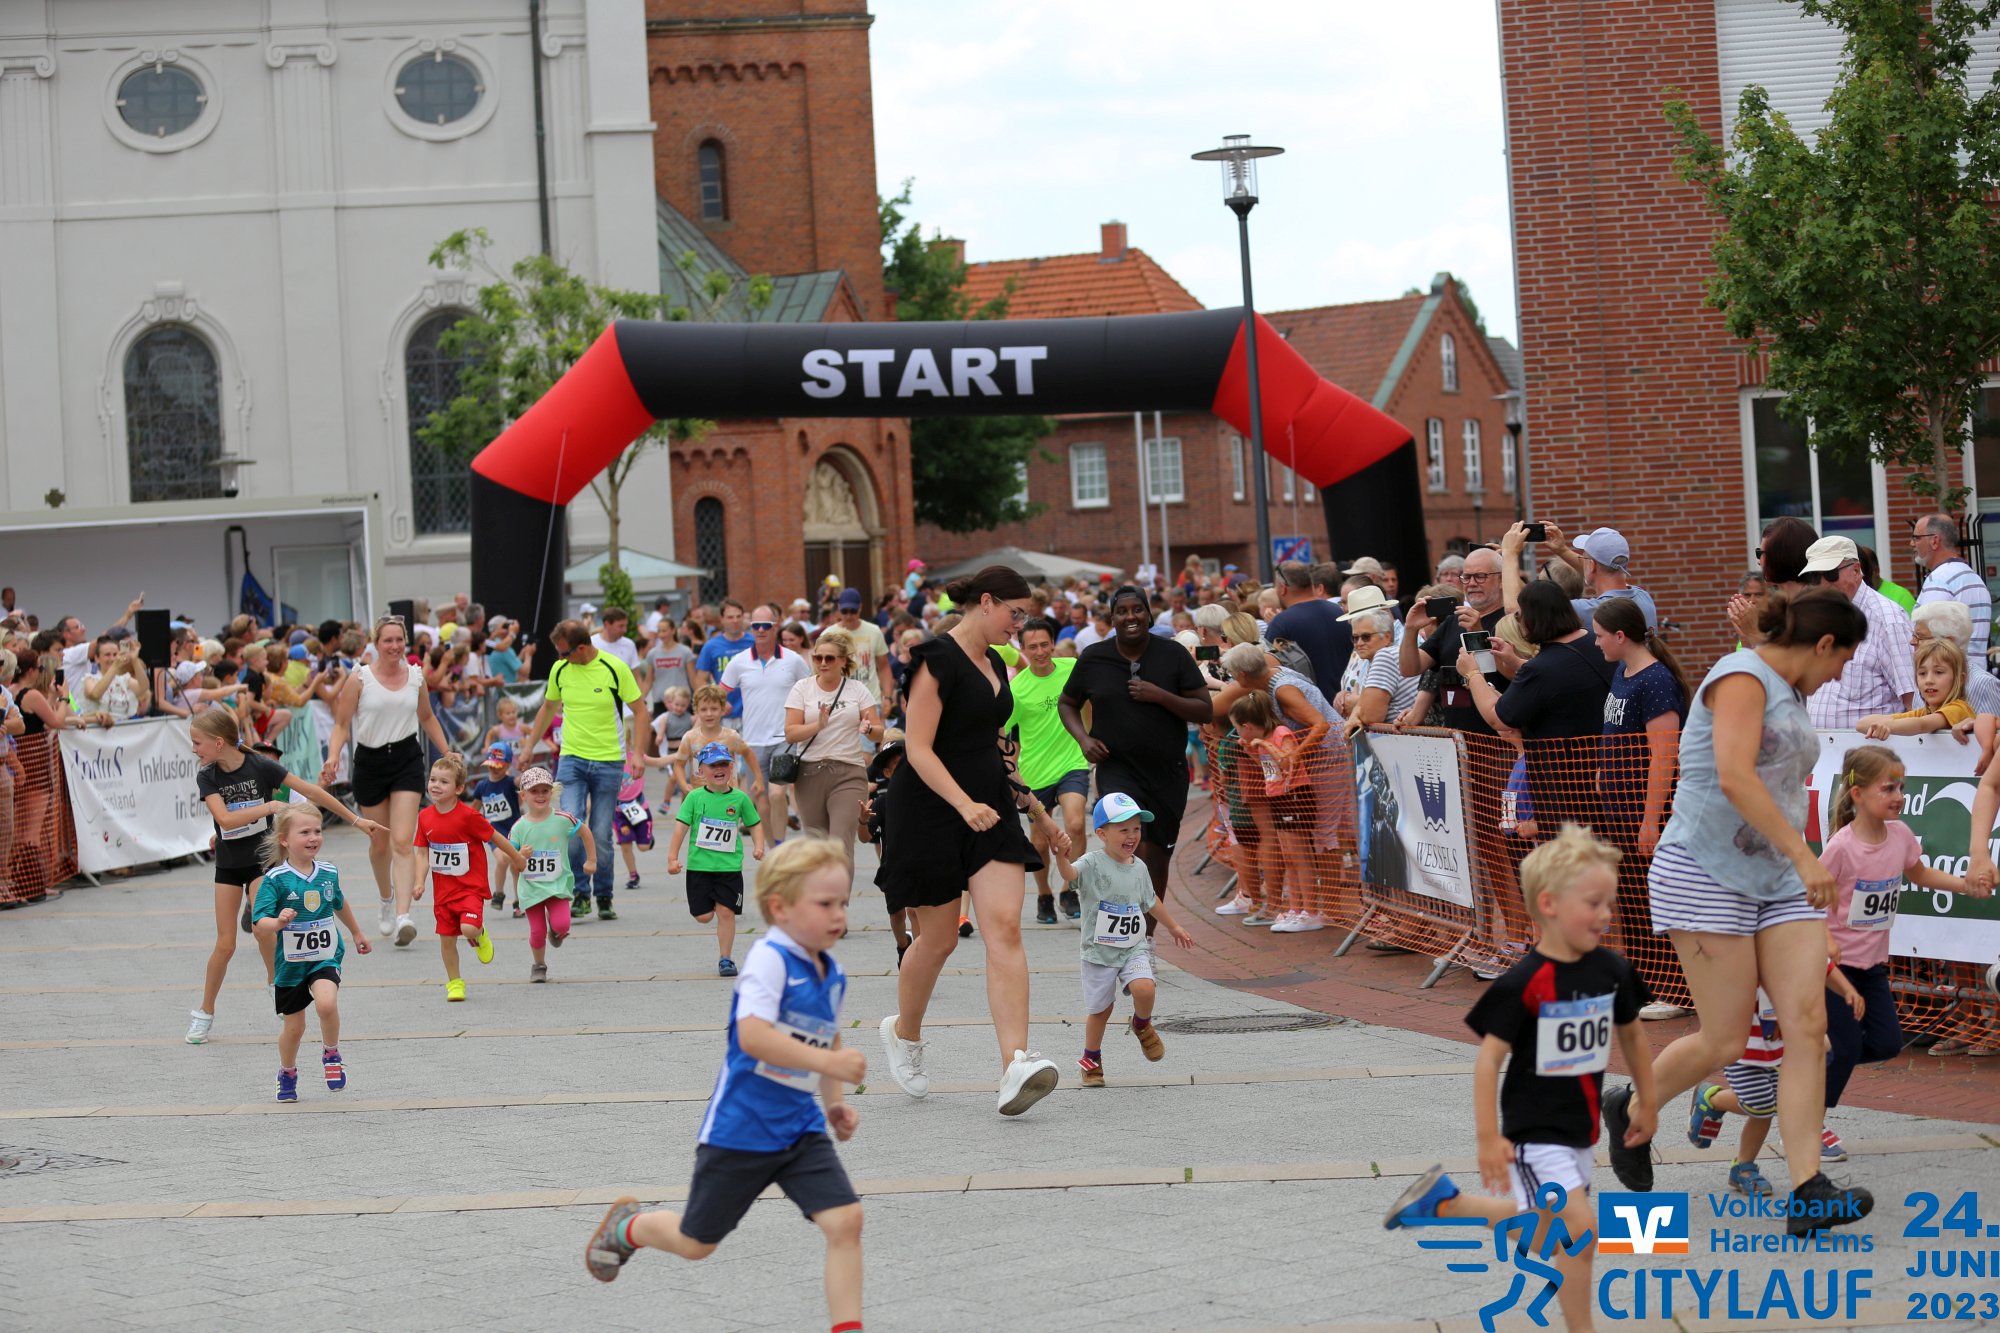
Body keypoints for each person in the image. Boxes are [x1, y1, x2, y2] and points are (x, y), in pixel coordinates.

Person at [1626, 589, 1875, 1233]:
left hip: (1778, 878)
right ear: (1823, 643)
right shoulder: (1741, 676)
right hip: (1705, 871)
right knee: (1726, 1039)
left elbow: (1783, 789)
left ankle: (1808, 1189)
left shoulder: (1791, 691)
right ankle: (1631, 1107)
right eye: (1843, 661)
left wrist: (1795, 860)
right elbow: (1735, 776)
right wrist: (1804, 856)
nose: (1839, 676)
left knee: (1808, 1027)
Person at [584, 839, 867, 1333]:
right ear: (780, 908)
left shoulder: (832, 971)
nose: (838, 914)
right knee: (696, 1244)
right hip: (740, 1132)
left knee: (846, 1221)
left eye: (843, 902)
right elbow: (753, 1036)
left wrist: (835, 1102)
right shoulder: (770, 959)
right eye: (825, 903)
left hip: (799, 1130)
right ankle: (629, 1228)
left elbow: (827, 1034)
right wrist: (831, 1062)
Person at [1385, 825, 1656, 1333]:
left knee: (1547, 1235)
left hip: (1580, 1130)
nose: (1606, 914)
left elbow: (1634, 1036)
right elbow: (1488, 1061)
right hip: (1533, 1134)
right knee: (1581, 1230)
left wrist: (1649, 1102)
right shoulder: (1524, 982)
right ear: (1549, 904)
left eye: (1609, 903)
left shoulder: (1613, 970)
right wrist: (1489, 1138)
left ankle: (1448, 1204)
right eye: (1593, 904)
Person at [876, 565, 1070, 1117]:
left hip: (990, 807)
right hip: (931, 809)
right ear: (986, 602)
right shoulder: (935, 659)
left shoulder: (998, 663)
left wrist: (1039, 813)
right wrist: (963, 804)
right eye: (1015, 613)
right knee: (937, 941)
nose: (1020, 625)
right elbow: (917, 748)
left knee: (1004, 927)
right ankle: (904, 1034)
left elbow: (997, 749)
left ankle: (1015, 1065)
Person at [187, 708, 384, 1045]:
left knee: (263, 926)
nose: (193, 749)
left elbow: (312, 791)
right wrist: (268, 807)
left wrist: (355, 820)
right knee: (225, 943)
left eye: (197, 742)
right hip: (229, 864)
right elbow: (225, 819)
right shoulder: (208, 775)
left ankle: (274, 981)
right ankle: (205, 1013)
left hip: (262, 862)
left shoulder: (259, 765)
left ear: (219, 742)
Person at [1818, 746, 1980, 1148]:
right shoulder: (1841, 847)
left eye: (1902, 788)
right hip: (1833, 972)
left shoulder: (1901, 834)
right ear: (1858, 794)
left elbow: (1919, 873)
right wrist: (1824, 944)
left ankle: (1803, 1069)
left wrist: (1964, 885)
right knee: (1845, 1047)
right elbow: (1810, 903)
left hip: (1872, 966)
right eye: (1888, 788)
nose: (1899, 796)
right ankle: (1808, 1121)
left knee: (1887, 1042)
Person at [1059, 585, 1211, 908]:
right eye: (1122, 611)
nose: (1131, 617)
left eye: (1137, 609)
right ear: (1112, 618)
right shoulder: (1094, 658)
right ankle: (1124, 922)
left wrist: (1161, 695)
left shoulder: (1172, 655)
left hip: (1167, 772)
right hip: (1117, 768)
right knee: (1130, 846)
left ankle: (1147, 934)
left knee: (1157, 857)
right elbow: (1067, 703)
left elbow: (1204, 709)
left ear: (1149, 615)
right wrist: (1084, 739)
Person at [320, 616, 459, 947]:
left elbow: (427, 717)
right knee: (380, 843)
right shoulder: (360, 678)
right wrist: (333, 756)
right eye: (388, 640)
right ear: (376, 643)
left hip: (406, 760)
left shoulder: (416, 676)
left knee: (402, 841)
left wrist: (447, 751)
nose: (395, 646)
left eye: (399, 640)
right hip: (370, 763)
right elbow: (341, 724)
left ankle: (403, 916)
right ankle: (386, 898)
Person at [1051, 792, 1196, 1086]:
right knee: (1100, 1011)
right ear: (1102, 834)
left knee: (1145, 987)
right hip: (1098, 952)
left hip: (1132, 946)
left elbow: (1150, 900)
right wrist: (1061, 857)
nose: (1132, 836)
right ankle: (1091, 1061)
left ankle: (1142, 1024)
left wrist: (1174, 926)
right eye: (1123, 829)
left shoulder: (1139, 866)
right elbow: (1070, 874)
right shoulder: (1092, 863)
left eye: (1136, 829)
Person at [518, 619, 648, 922]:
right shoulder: (560, 669)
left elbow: (641, 712)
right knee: (571, 826)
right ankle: (579, 893)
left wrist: (638, 754)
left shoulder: (615, 668)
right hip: (572, 759)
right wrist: (528, 747)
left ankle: (604, 895)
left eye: (565, 653)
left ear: (581, 647)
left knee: (601, 833)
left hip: (609, 760)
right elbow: (547, 708)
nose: (560, 658)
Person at [1462, 582, 1613, 838]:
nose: (1519, 622)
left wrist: (1472, 673)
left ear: (1533, 619)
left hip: (1564, 794)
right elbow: (1561, 677)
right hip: (1607, 779)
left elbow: (1499, 718)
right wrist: (1515, 661)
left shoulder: (1540, 669)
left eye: (1519, 615)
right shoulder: (1594, 643)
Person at [252, 805, 371, 1102]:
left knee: (327, 1003)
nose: (313, 837)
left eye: (317, 831)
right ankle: (287, 1071)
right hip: (290, 964)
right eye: (304, 832)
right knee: (294, 1028)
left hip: (324, 956)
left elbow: (339, 903)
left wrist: (357, 932)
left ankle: (331, 1054)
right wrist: (277, 922)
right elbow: (259, 921)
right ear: (284, 839)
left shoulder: (328, 872)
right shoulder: (275, 879)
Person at [993, 618, 1090, 924]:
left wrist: (1090, 735)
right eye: (1032, 647)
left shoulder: (1072, 668)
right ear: (1022, 649)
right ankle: (1045, 894)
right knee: (1039, 840)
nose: (1040, 652)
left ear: (1053, 644)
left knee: (1076, 824)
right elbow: (1000, 731)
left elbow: (1093, 698)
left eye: (1044, 645)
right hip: (1034, 772)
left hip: (1072, 762)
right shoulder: (1017, 689)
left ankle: (1069, 888)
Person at [415, 755, 524, 1002]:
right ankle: (455, 983)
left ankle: (479, 933)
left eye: (444, 782)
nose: (435, 785)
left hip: (470, 888)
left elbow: (494, 836)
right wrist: (419, 881)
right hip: (443, 892)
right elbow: (422, 853)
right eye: (433, 780)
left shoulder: (468, 816)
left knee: (468, 928)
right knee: (447, 940)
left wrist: (516, 857)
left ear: (459, 789)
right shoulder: (424, 817)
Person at [782, 628, 881, 866]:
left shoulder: (857, 689)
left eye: (829, 658)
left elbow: (879, 731)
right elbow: (790, 733)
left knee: (840, 845)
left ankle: (840, 892)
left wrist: (868, 728)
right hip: (809, 773)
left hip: (849, 772)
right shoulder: (802, 688)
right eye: (818, 657)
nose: (823, 663)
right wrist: (818, 725)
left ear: (843, 661)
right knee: (817, 848)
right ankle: (822, 891)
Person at [669, 741, 767, 977]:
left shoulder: (740, 799)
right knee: (703, 917)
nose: (719, 769)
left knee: (726, 912)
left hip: (729, 868)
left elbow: (755, 824)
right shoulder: (694, 797)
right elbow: (680, 828)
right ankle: (712, 901)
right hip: (699, 867)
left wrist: (759, 846)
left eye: (724, 764)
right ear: (701, 771)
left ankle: (726, 959)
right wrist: (672, 858)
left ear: (732, 767)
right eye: (713, 765)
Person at [1797, 536, 1916, 728]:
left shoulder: (1888, 619)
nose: (1822, 583)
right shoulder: (1820, 617)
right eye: (1814, 577)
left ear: (1856, 570)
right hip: (1823, 744)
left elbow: (1914, 700)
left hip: (1871, 746)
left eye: (1830, 574)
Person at [722, 606, 812, 843]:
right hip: (752, 741)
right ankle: (775, 852)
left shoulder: (793, 660)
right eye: (756, 626)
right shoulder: (739, 661)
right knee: (760, 799)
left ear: (776, 627)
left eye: (766, 626)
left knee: (776, 793)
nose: (761, 630)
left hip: (784, 738)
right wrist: (719, 707)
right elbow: (720, 692)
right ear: (750, 628)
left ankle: (780, 844)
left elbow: (811, 690)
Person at [1685, 987, 1785, 1196]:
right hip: (1743, 1043)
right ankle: (1713, 1100)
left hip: (1778, 1042)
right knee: (1761, 1104)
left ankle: (1743, 1166)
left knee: (1772, 1104)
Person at [511, 766, 594, 981]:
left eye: (545, 791)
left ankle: (555, 930)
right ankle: (539, 965)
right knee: (537, 932)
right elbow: (512, 859)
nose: (540, 795)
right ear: (523, 796)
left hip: (557, 885)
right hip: (531, 888)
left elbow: (585, 832)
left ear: (552, 792)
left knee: (563, 925)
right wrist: (520, 855)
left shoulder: (562, 819)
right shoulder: (519, 827)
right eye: (534, 791)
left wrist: (591, 860)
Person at [1540, 524, 1658, 629]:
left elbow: (1533, 612)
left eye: (1584, 558)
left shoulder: (1588, 611)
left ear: (1592, 565)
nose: (1583, 562)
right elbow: (1599, 568)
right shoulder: (1643, 597)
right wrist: (1562, 550)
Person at [1911, 512, 1993, 662]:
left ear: (1935, 541)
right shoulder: (1975, 578)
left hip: (1950, 673)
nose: (1912, 543)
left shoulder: (1939, 580)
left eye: (1917, 538)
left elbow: (1927, 639)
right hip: (1975, 671)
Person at [1856, 637, 1972, 738]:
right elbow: (1861, 724)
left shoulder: (1959, 708)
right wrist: (1881, 726)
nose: (1929, 680)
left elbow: (1921, 725)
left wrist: (1886, 726)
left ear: (1960, 679)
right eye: (1922, 673)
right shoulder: (1924, 713)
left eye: (1939, 672)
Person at [1264, 560, 1350, 687]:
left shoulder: (1282, 623)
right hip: (1347, 696)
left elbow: (1266, 671)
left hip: (1307, 698)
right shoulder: (1339, 611)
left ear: (1282, 588)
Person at [1910, 600, 2000, 715]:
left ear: (1948, 641)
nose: (1912, 642)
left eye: (1920, 637)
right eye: (1914, 635)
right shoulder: (1925, 678)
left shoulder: (1984, 684)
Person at [470, 744, 521, 909]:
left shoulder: (511, 783)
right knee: (502, 859)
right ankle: (498, 893)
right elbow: (474, 808)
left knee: (516, 866)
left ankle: (519, 901)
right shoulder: (482, 786)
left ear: (507, 765)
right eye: (491, 765)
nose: (494, 769)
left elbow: (521, 782)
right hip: (493, 832)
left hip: (513, 831)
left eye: (499, 766)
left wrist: (522, 769)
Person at [692, 600, 754, 723]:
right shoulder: (711, 646)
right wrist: (716, 701)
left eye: (738, 616)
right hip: (725, 714)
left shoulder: (754, 642)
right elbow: (700, 680)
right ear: (722, 619)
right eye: (730, 617)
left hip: (753, 712)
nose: (735, 621)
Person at [80, 635, 150, 722]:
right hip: (98, 728)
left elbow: (143, 687)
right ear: (97, 658)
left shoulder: (124, 679)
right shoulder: (89, 679)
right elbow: (95, 695)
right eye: (107, 655)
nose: (112, 658)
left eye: (115, 654)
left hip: (124, 727)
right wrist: (115, 667)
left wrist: (134, 660)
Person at [612, 761, 655, 890]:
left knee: (643, 847)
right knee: (625, 844)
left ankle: (648, 838)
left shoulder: (637, 757)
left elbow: (657, 761)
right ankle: (633, 875)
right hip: (618, 811)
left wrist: (677, 755)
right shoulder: (608, 758)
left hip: (639, 807)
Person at [591, 607, 643, 673]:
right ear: (607, 624)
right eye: (621, 626)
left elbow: (636, 676)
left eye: (626, 626)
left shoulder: (629, 644)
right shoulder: (592, 643)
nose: (625, 630)